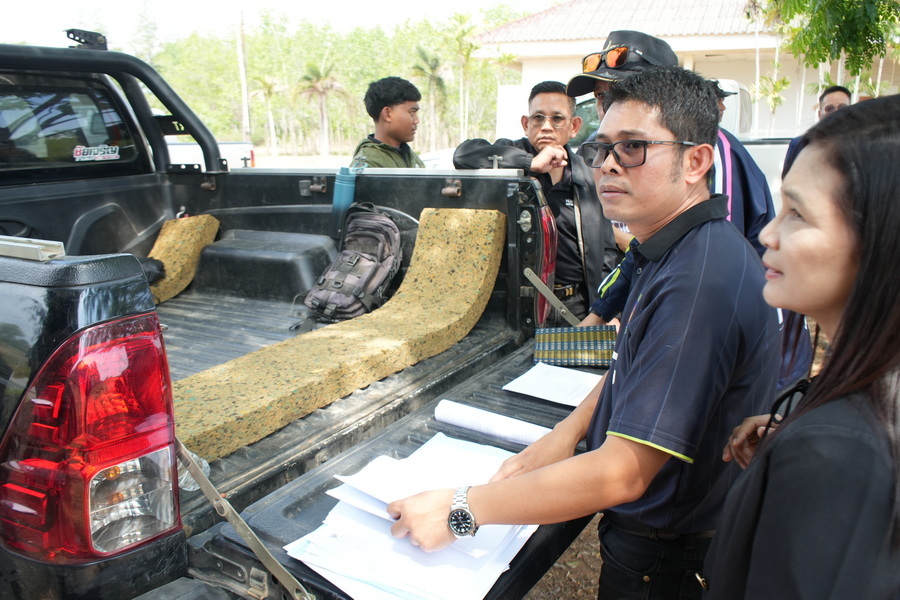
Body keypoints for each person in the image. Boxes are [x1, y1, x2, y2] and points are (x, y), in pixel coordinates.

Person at [388, 66, 780, 600]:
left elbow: (623, 474)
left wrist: (461, 511)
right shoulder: (669, 246)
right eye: (601, 151)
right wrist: (566, 434)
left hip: (665, 554)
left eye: (634, 148)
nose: (609, 165)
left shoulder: (698, 283)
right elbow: (634, 367)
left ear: (696, 161)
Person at [704, 94, 900, 600]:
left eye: (798, 214)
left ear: (879, 240)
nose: (768, 232)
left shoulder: (837, 455)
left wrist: (809, 453)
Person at [452, 81, 618, 321]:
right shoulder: (511, 155)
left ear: (574, 126)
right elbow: (463, 155)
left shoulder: (587, 173)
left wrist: (606, 309)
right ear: (525, 124)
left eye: (557, 119)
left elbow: (607, 251)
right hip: (518, 305)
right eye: (538, 118)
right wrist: (530, 164)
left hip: (576, 306)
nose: (546, 127)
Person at [351, 76, 425, 168]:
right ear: (387, 114)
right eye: (412, 112)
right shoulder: (367, 165)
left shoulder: (410, 156)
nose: (416, 120)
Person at [782, 85, 851, 175]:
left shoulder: (862, 145)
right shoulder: (800, 144)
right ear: (819, 114)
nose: (836, 112)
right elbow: (788, 181)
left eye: (842, 107)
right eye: (830, 108)